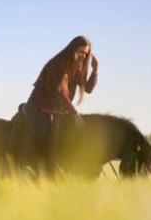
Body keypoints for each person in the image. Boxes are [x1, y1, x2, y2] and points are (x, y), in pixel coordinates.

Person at [17, 35, 99, 177]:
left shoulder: (77, 69)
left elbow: (88, 89)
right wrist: (75, 114)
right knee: (41, 136)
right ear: (72, 49)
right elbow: (59, 93)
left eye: (86, 54)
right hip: (37, 109)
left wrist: (95, 70)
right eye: (81, 52)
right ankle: (25, 169)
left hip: (54, 112)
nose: (83, 56)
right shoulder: (59, 64)